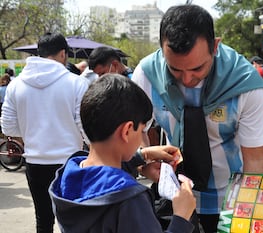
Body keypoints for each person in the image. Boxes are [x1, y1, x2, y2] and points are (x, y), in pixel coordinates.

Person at [132, 4, 263, 232]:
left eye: (197, 68)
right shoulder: (147, 75)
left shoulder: (245, 85)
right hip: (174, 192)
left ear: (215, 46)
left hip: (230, 198)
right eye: (175, 69)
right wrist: (143, 162)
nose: (187, 79)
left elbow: (255, 161)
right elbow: (137, 130)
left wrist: (256, 216)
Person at [49, 73, 196, 233]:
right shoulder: (129, 200)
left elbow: (100, 177)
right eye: (140, 131)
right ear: (126, 131)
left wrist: (142, 156)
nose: (141, 136)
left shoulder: (69, 175)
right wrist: (182, 217)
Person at [1, 32, 90, 233]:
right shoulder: (77, 83)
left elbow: (8, 127)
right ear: (62, 54)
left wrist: (30, 131)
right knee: (75, 221)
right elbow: (85, 126)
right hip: (70, 162)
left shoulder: (16, 85)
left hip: (34, 162)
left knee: (43, 220)